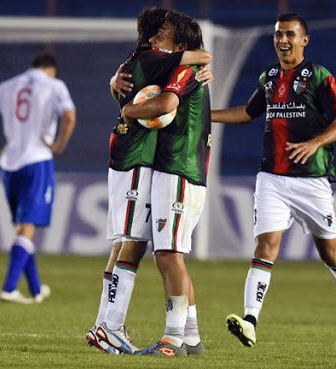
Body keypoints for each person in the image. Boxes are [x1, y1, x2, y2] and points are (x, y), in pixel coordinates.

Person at [211, 12, 336, 346]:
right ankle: (250, 320)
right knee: (266, 246)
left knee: (330, 253)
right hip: (272, 178)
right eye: (278, 34)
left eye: (290, 35)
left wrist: (313, 143)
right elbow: (248, 114)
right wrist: (205, 117)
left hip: (312, 179)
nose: (282, 40)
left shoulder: (319, 77)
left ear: (304, 40)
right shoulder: (269, 77)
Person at [85, 8, 211, 355]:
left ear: (179, 42)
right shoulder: (158, 60)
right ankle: (118, 327)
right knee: (144, 245)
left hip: (171, 167)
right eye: (153, 32)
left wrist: (127, 106)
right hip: (147, 162)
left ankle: (167, 337)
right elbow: (188, 70)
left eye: (162, 33)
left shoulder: (175, 66)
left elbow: (167, 101)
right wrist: (121, 94)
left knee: (161, 251)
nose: (155, 38)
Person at [0, 53, 76, 304]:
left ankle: (36, 289)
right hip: (37, 160)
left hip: (10, 163)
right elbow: (69, 116)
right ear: (50, 69)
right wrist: (59, 144)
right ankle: (9, 288)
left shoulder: (7, 86)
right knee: (27, 228)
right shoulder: (54, 85)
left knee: (22, 228)